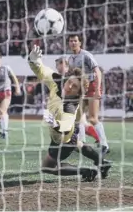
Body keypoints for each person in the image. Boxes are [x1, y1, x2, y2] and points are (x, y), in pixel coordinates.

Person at [28, 45, 111, 180]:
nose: (70, 87)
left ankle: (85, 172)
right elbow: (42, 71)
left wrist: (54, 123)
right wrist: (34, 61)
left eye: (75, 87)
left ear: (78, 92)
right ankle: (102, 163)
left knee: (48, 166)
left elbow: (65, 126)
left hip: (62, 139)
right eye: (70, 83)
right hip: (69, 133)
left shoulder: (70, 106)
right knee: (78, 143)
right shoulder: (57, 81)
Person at [67, 34, 109, 154]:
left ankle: (104, 145)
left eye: (75, 40)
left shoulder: (86, 55)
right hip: (81, 89)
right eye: (71, 41)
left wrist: (97, 90)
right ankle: (82, 142)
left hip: (92, 87)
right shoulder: (70, 59)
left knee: (92, 118)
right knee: (77, 117)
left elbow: (98, 71)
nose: (73, 43)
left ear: (80, 43)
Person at [55, 56, 100, 145]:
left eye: (58, 65)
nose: (57, 67)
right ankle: (94, 139)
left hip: (78, 101)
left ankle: (81, 141)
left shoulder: (70, 74)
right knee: (82, 122)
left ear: (63, 64)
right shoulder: (66, 75)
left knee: (79, 122)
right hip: (79, 100)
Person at [0, 51, 21, 139]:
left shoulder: (6, 68)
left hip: (6, 91)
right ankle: (2, 131)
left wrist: (17, 88)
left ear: (0, 59)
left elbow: (14, 77)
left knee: (2, 111)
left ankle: (5, 132)